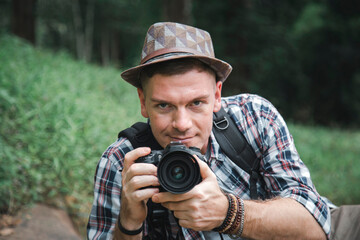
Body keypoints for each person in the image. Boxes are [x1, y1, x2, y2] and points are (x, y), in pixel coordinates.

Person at [87, 22, 332, 240]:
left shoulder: (255, 117)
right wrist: (129, 223)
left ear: (217, 96)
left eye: (196, 103)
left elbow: (316, 226)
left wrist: (229, 214)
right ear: (143, 102)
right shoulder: (121, 162)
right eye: (164, 105)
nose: (181, 124)